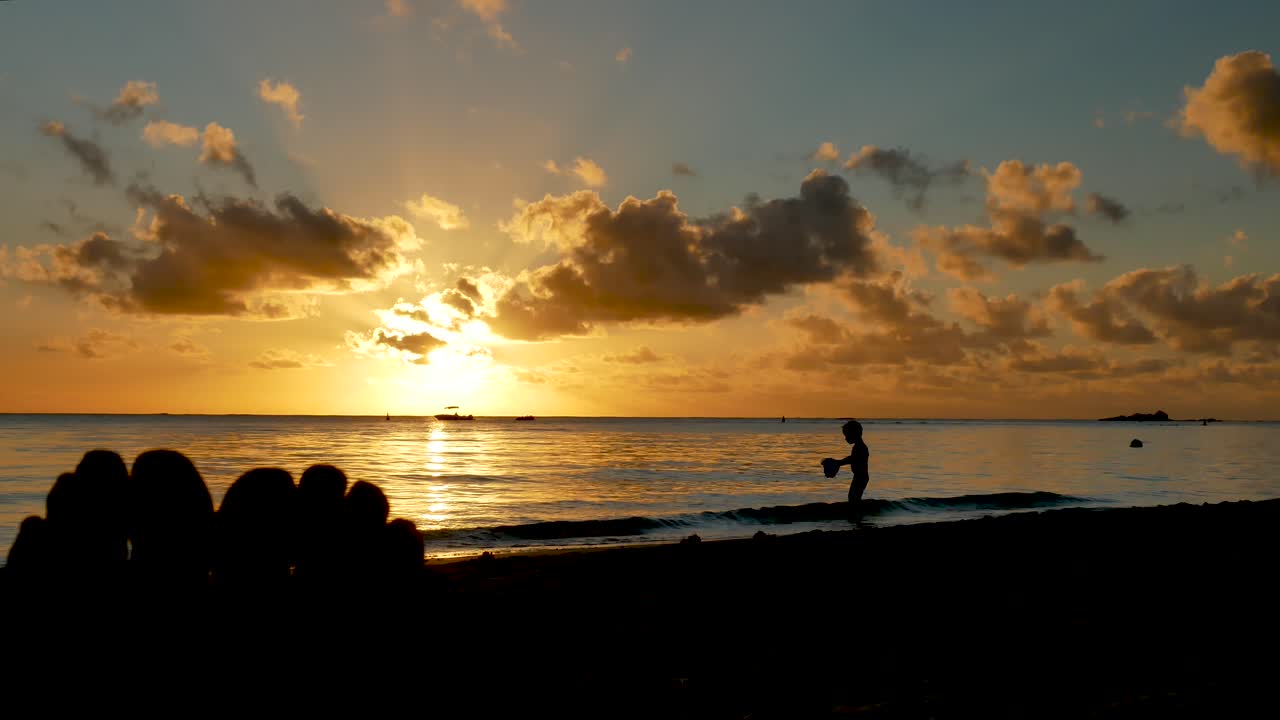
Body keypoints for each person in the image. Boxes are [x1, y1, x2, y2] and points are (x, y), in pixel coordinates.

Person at [822, 420, 870, 519]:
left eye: (847, 435)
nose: (845, 438)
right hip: (860, 476)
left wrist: (838, 463)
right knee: (853, 497)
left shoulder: (860, 447)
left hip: (861, 477)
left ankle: (857, 517)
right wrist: (838, 463)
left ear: (854, 434)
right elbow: (852, 458)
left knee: (853, 497)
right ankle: (857, 515)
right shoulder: (858, 447)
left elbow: (852, 459)